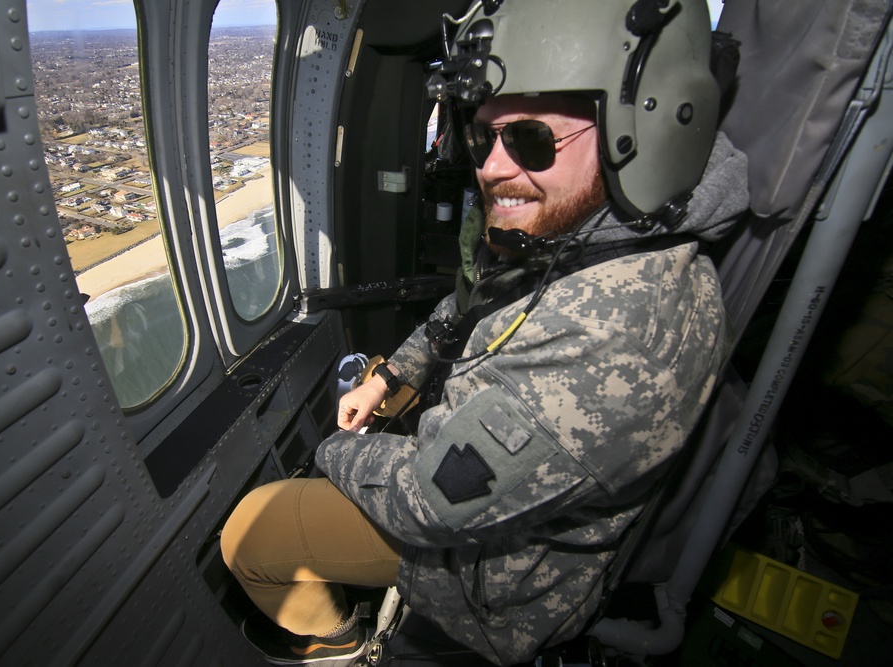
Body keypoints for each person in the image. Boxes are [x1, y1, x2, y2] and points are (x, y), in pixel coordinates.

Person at [221, 1, 750, 664]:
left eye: (530, 138)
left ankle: (341, 647)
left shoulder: (614, 336)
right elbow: (474, 300)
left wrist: (333, 450)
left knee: (249, 536)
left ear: (642, 133)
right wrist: (393, 375)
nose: (492, 167)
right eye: (480, 137)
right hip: (489, 488)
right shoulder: (590, 231)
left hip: (497, 578)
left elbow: (426, 500)